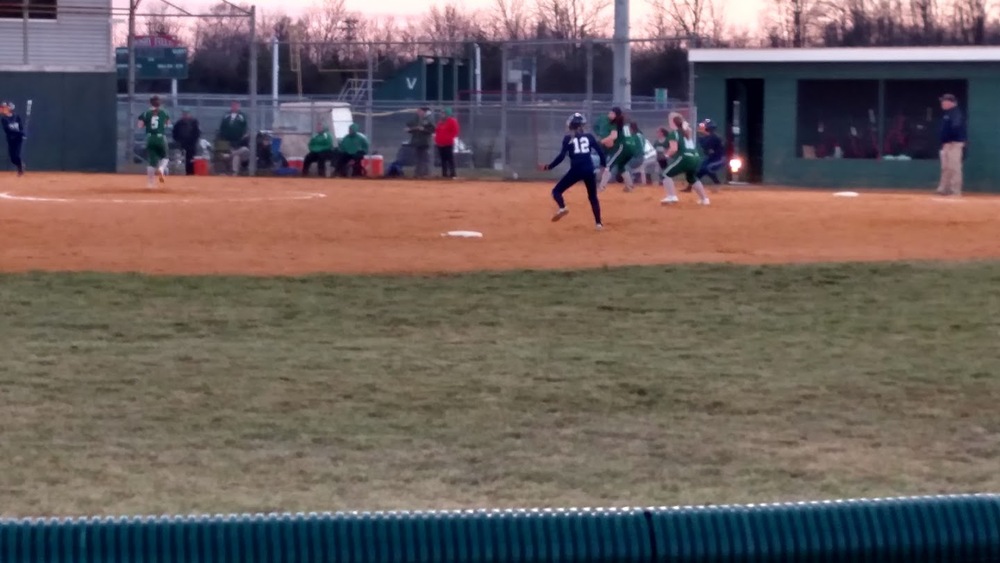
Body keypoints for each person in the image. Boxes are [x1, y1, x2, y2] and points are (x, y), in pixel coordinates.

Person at [537, 112, 607, 231]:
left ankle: (562, 207)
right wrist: (603, 166)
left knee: (556, 191)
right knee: (593, 197)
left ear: (571, 126)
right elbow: (600, 152)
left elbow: (561, 157)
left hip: (576, 170)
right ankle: (598, 224)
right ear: (582, 126)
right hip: (589, 169)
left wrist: (549, 167)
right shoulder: (589, 137)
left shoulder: (568, 139)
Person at [661, 112, 709, 206]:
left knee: (666, 174)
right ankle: (704, 199)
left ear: (672, 122)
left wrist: (666, 155)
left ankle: (672, 196)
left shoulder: (674, 133)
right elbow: (687, 127)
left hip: (685, 158)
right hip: (696, 157)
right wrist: (682, 120)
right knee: (691, 177)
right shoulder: (687, 131)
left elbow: (673, 149)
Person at [598, 106, 638, 193]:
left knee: (608, 166)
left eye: (612, 113)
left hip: (622, 147)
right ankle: (630, 186)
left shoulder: (615, 123)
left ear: (616, 115)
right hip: (630, 147)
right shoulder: (624, 123)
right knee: (621, 166)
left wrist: (601, 141)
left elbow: (614, 136)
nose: (609, 115)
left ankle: (601, 188)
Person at [137, 96, 171, 188]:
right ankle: (161, 168)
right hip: (160, 137)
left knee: (152, 162)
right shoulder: (164, 112)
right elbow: (167, 124)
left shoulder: (146, 113)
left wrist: (147, 124)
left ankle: (150, 183)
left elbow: (140, 125)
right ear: (159, 103)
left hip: (150, 138)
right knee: (165, 157)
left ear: (150, 103)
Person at [937, 93, 966, 197]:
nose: (942, 103)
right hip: (947, 144)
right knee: (946, 168)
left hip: (954, 143)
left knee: (954, 167)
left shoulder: (955, 113)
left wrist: (949, 140)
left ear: (950, 102)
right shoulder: (947, 113)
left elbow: (956, 127)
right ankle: (944, 189)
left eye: (944, 101)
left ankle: (955, 191)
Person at [219, 101, 250, 175]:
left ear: (239, 106)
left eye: (236, 105)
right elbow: (222, 127)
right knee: (236, 156)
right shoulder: (226, 115)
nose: (235, 107)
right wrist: (224, 137)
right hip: (229, 142)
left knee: (244, 150)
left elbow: (245, 128)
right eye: (233, 105)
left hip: (240, 143)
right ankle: (234, 173)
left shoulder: (242, 116)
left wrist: (243, 137)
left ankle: (230, 156)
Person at [406, 107, 435, 178]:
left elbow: (432, 130)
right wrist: (410, 130)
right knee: (419, 158)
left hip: (425, 142)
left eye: (420, 111)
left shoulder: (429, 118)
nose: (418, 113)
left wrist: (423, 129)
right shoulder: (419, 118)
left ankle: (426, 173)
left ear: (424, 111)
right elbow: (414, 127)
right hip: (418, 142)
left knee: (424, 158)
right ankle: (418, 173)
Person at [696, 119, 725, 187]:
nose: (700, 128)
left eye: (703, 127)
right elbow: (706, 151)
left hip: (720, 159)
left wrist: (699, 138)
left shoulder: (714, 137)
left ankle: (718, 184)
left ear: (708, 128)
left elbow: (706, 146)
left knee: (707, 168)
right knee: (699, 171)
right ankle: (690, 187)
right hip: (711, 158)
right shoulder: (707, 137)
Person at [172, 109, 201, 176]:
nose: (185, 115)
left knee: (191, 160)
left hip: (191, 145)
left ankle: (191, 173)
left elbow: (197, 133)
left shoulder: (194, 122)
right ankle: (180, 173)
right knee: (181, 160)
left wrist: (193, 141)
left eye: (186, 114)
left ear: (189, 114)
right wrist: (178, 141)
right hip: (181, 144)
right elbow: (174, 133)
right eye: (184, 114)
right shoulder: (179, 123)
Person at [0, 101, 26, 176]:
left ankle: (20, 169)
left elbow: (20, 127)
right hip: (11, 139)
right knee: (12, 158)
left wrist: (22, 132)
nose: (2, 109)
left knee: (16, 155)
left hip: (18, 139)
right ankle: (20, 164)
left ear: (9, 108)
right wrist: (19, 133)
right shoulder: (3, 119)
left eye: (4, 108)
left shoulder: (16, 116)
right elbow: (7, 130)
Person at [434, 107, 460, 178]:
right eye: (441, 113)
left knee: (450, 159)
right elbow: (437, 131)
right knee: (443, 160)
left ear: (448, 114)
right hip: (440, 143)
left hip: (448, 143)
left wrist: (448, 138)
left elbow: (455, 131)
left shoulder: (452, 121)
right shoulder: (440, 122)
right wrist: (437, 140)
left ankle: (452, 173)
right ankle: (444, 174)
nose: (442, 114)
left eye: (444, 113)